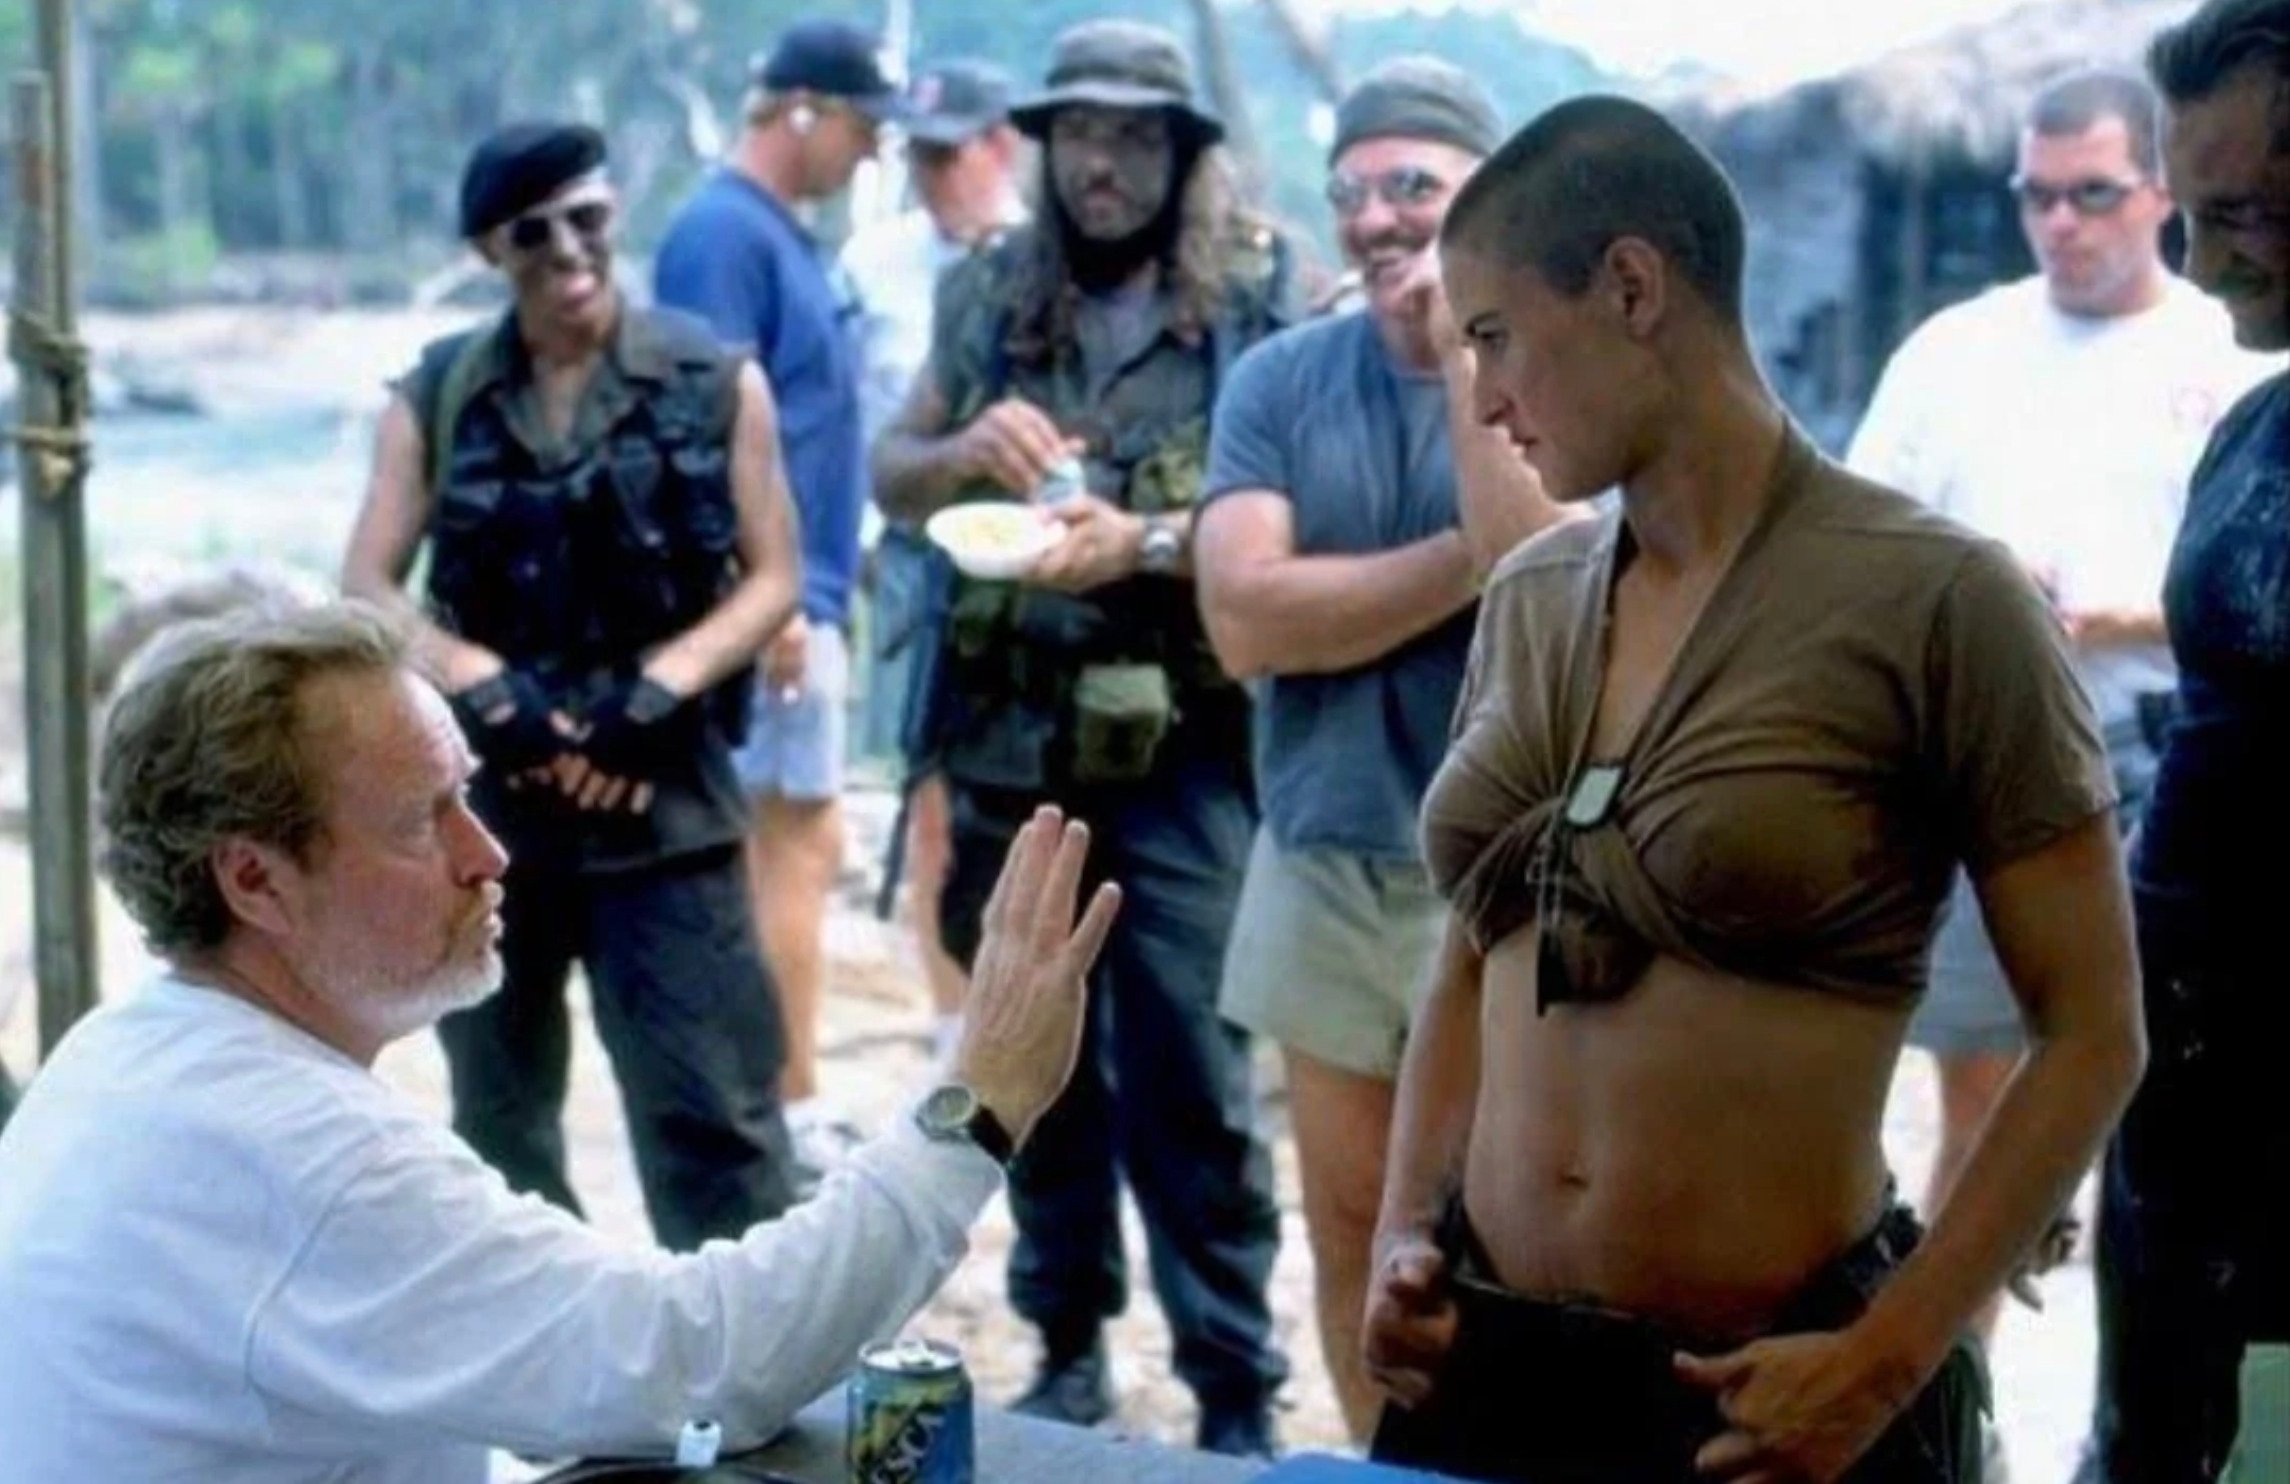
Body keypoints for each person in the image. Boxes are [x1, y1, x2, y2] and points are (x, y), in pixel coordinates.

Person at [1362, 97, 2147, 1484]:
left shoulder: (1936, 601)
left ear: (1629, 287)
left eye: (1493, 337)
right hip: (1485, 1356)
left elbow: (2092, 1033)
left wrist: (1887, 1357)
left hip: (1766, 1391)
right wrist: (1401, 1231)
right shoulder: (1534, 596)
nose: (1479, 399)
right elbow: (1476, 948)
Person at [0, 601, 1120, 1483]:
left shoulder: (122, 1054)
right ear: (255, 879)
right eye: (422, 820)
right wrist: (979, 1102)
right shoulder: (301, 1154)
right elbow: (704, 1358)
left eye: (467, 796)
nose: (487, 855)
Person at [871, 18, 1300, 1455]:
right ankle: (1064, 1345)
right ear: (1045, 149)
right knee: (1026, 1067)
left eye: (1132, 138)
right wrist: (960, 456)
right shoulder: (990, 289)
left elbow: (1299, 503)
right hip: (1012, 740)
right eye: (1079, 137)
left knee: (1193, 1074)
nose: (1101, 165)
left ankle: (1231, 1381)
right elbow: (892, 472)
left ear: (1181, 156)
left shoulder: (1258, 295)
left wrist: (1149, 541)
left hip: (1185, 749)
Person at [1848, 73, 2267, 1423]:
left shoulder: (2235, 346)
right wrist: (1974, 594)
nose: (2061, 224)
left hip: (2173, 754)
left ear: (2157, 192)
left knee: (2175, 1142)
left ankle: (2142, 1422)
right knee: (1986, 1121)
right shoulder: (1955, 349)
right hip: (1989, 770)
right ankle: (1950, 1418)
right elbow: (1859, 541)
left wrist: (2127, 612)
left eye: (2092, 194)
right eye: (2035, 196)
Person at [341, 123, 806, 1249]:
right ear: (489, 252)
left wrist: (656, 693)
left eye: (586, 218)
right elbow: (366, 582)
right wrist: (483, 686)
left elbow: (775, 576)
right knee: (500, 1125)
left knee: (714, 1121)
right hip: (494, 821)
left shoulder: (715, 381)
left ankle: (749, 1353)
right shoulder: (437, 393)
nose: (567, 252)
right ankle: (547, 1346)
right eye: (531, 233)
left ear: (614, 215)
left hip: (666, 809)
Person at [1192, 57, 1566, 1442]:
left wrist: (1469, 352)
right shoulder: (1282, 379)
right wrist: (1459, 558)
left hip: (1515, 876)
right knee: (1352, 1223)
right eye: (1350, 192)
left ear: (1491, 194)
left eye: (1413, 184)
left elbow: (1536, 564)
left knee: (1516, 1235)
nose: (1373, 219)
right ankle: (1380, 1465)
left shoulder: (1559, 364)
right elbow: (1244, 621)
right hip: (1326, 852)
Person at [2073, 4, 2290, 1476]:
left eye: (2246, 217)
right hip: (2178, 1113)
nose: (2203, 267)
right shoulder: (2251, 434)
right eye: (2192, 218)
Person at [654, 18, 901, 1171]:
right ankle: (784, 1106)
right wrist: (763, 594)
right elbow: (699, 428)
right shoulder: (721, 235)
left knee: (798, 835)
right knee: (789, 841)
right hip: (774, 601)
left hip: (804, 590)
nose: (870, 151)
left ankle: (781, 1096)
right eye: (860, 125)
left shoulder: (777, 235)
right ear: (802, 109)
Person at [843, 57, 1029, 1067]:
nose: (928, 174)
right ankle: (954, 1025)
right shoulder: (875, 264)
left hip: (1032, 556)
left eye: (946, 154)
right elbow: (852, 428)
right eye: (916, 154)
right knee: (928, 798)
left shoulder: (1045, 259)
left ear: (1001, 146)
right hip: (916, 555)